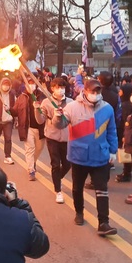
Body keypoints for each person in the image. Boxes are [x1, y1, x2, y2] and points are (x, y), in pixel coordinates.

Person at [54, 78, 119, 236]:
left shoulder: (107, 109)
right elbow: (60, 125)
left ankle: (103, 222)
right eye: (92, 91)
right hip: (79, 156)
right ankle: (79, 213)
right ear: (85, 92)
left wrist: (113, 151)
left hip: (100, 157)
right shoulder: (72, 107)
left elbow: (112, 131)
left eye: (98, 91)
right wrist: (57, 116)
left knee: (102, 190)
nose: (95, 94)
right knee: (77, 188)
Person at [35, 77, 72, 203]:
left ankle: (57, 177)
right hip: (52, 137)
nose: (60, 90)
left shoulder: (71, 102)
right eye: (57, 87)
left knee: (67, 164)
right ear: (52, 89)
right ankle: (58, 191)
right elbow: (40, 120)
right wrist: (36, 109)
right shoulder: (46, 102)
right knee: (55, 164)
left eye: (62, 87)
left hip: (67, 138)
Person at [10, 78, 45, 181]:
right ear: (25, 85)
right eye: (29, 83)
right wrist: (9, 109)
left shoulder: (42, 96)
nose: (31, 85)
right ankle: (31, 170)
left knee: (39, 148)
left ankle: (33, 162)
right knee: (30, 149)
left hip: (40, 128)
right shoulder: (22, 97)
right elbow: (15, 112)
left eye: (33, 83)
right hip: (27, 127)